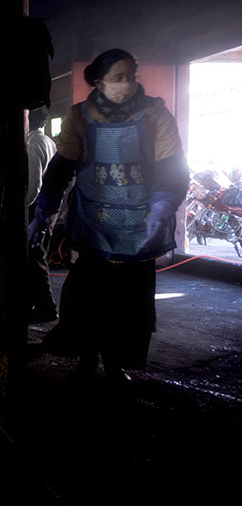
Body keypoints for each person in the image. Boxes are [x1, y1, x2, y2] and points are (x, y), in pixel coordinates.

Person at [28, 49, 188, 385]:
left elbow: (172, 162)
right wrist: (44, 209)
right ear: (99, 83)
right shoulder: (80, 116)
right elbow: (63, 165)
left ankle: (117, 364)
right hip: (95, 222)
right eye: (118, 78)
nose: (127, 84)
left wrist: (163, 203)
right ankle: (86, 359)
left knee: (129, 303)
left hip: (140, 226)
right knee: (87, 297)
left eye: (132, 75)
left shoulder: (154, 113)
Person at [26, 107, 59, 323]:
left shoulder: (34, 144)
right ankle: (33, 302)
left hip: (36, 208)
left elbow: (33, 186)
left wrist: (23, 208)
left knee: (35, 256)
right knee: (36, 255)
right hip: (47, 208)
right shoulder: (47, 141)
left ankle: (47, 307)